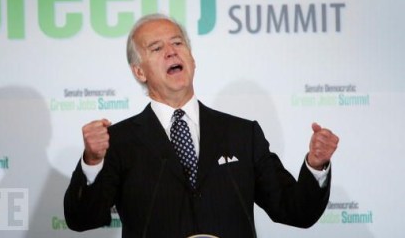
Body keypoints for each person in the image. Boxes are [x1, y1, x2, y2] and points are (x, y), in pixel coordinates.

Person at [63, 13, 339, 238]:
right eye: (157, 48)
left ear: (192, 59)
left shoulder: (242, 134)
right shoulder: (119, 141)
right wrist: (92, 161)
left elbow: (295, 211)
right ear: (139, 71)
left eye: (178, 43)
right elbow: (81, 219)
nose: (171, 52)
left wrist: (316, 165)